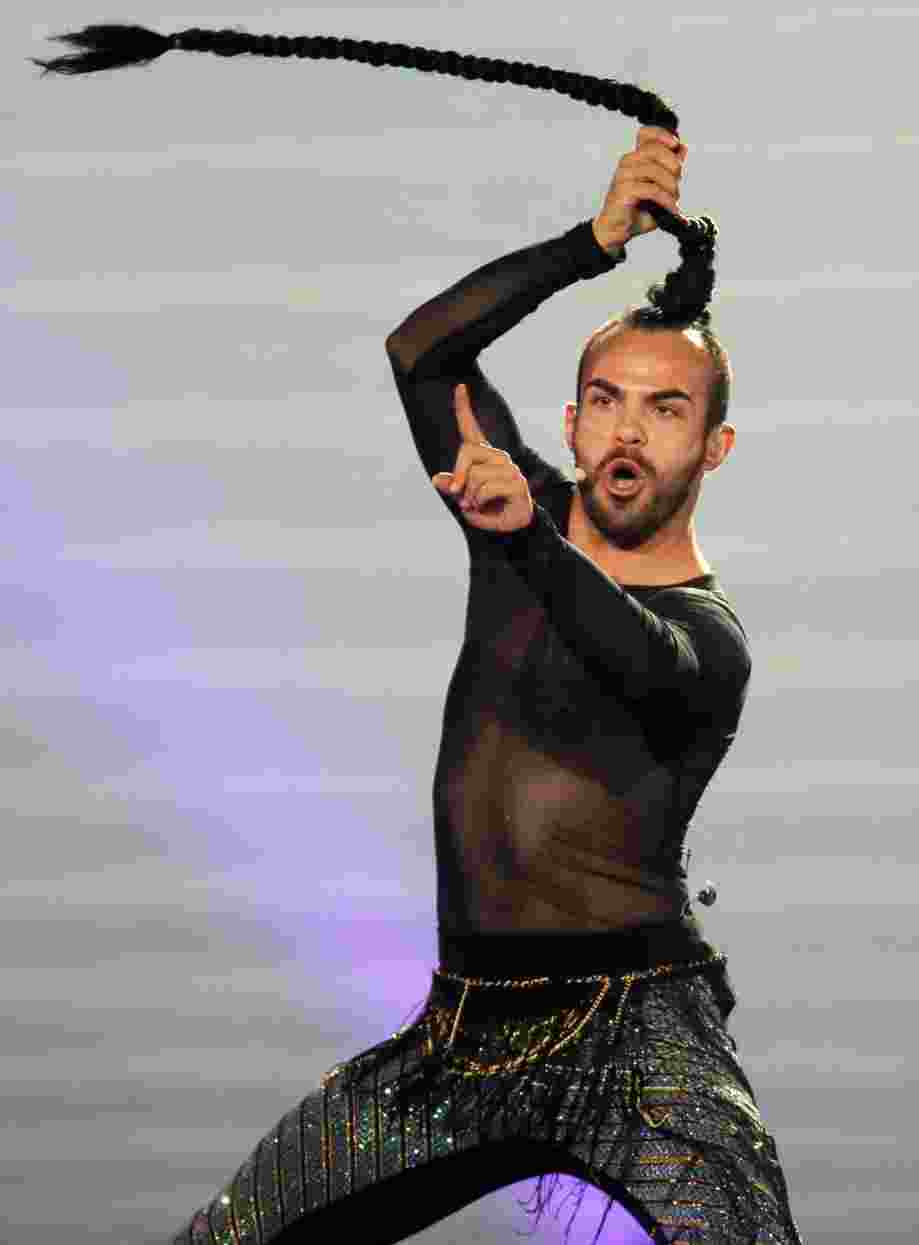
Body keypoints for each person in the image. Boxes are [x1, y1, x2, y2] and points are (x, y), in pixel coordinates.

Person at [163, 126, 804, 1245]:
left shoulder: (708, 636)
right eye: (606, 399)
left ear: (715, 447)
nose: (627, 432)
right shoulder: (520, 515)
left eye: (666, 411)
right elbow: (420, 355)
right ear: (570, 420)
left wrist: (527, 543)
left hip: (641, 1041)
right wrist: (589, 245)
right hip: (457, 1040)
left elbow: (638, 658)